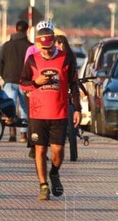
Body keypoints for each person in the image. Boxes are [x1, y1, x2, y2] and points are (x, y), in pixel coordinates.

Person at [19, 21, 81, 201]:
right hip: (37, 113)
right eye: (42, 47)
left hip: (59, 112)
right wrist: (35, 83)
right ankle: (43, 185)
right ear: (37, 44)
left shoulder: (66, 58)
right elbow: (22, 83)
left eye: (49, 46)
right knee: (39, 150)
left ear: (54, 42)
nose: (46, 50)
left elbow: (74, 84)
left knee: (58, 150)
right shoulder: (32, 60)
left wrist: (77, 109)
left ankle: (54, 173)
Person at [0, 20, 32, 142]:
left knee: (9, 107)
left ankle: (12, 133)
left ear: (15, 29)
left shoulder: (6, 46)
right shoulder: (30, 46)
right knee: (25, 108)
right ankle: (23, 134)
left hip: (9, 81)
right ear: (27, 30)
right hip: (25, 82)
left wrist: (5, 76)